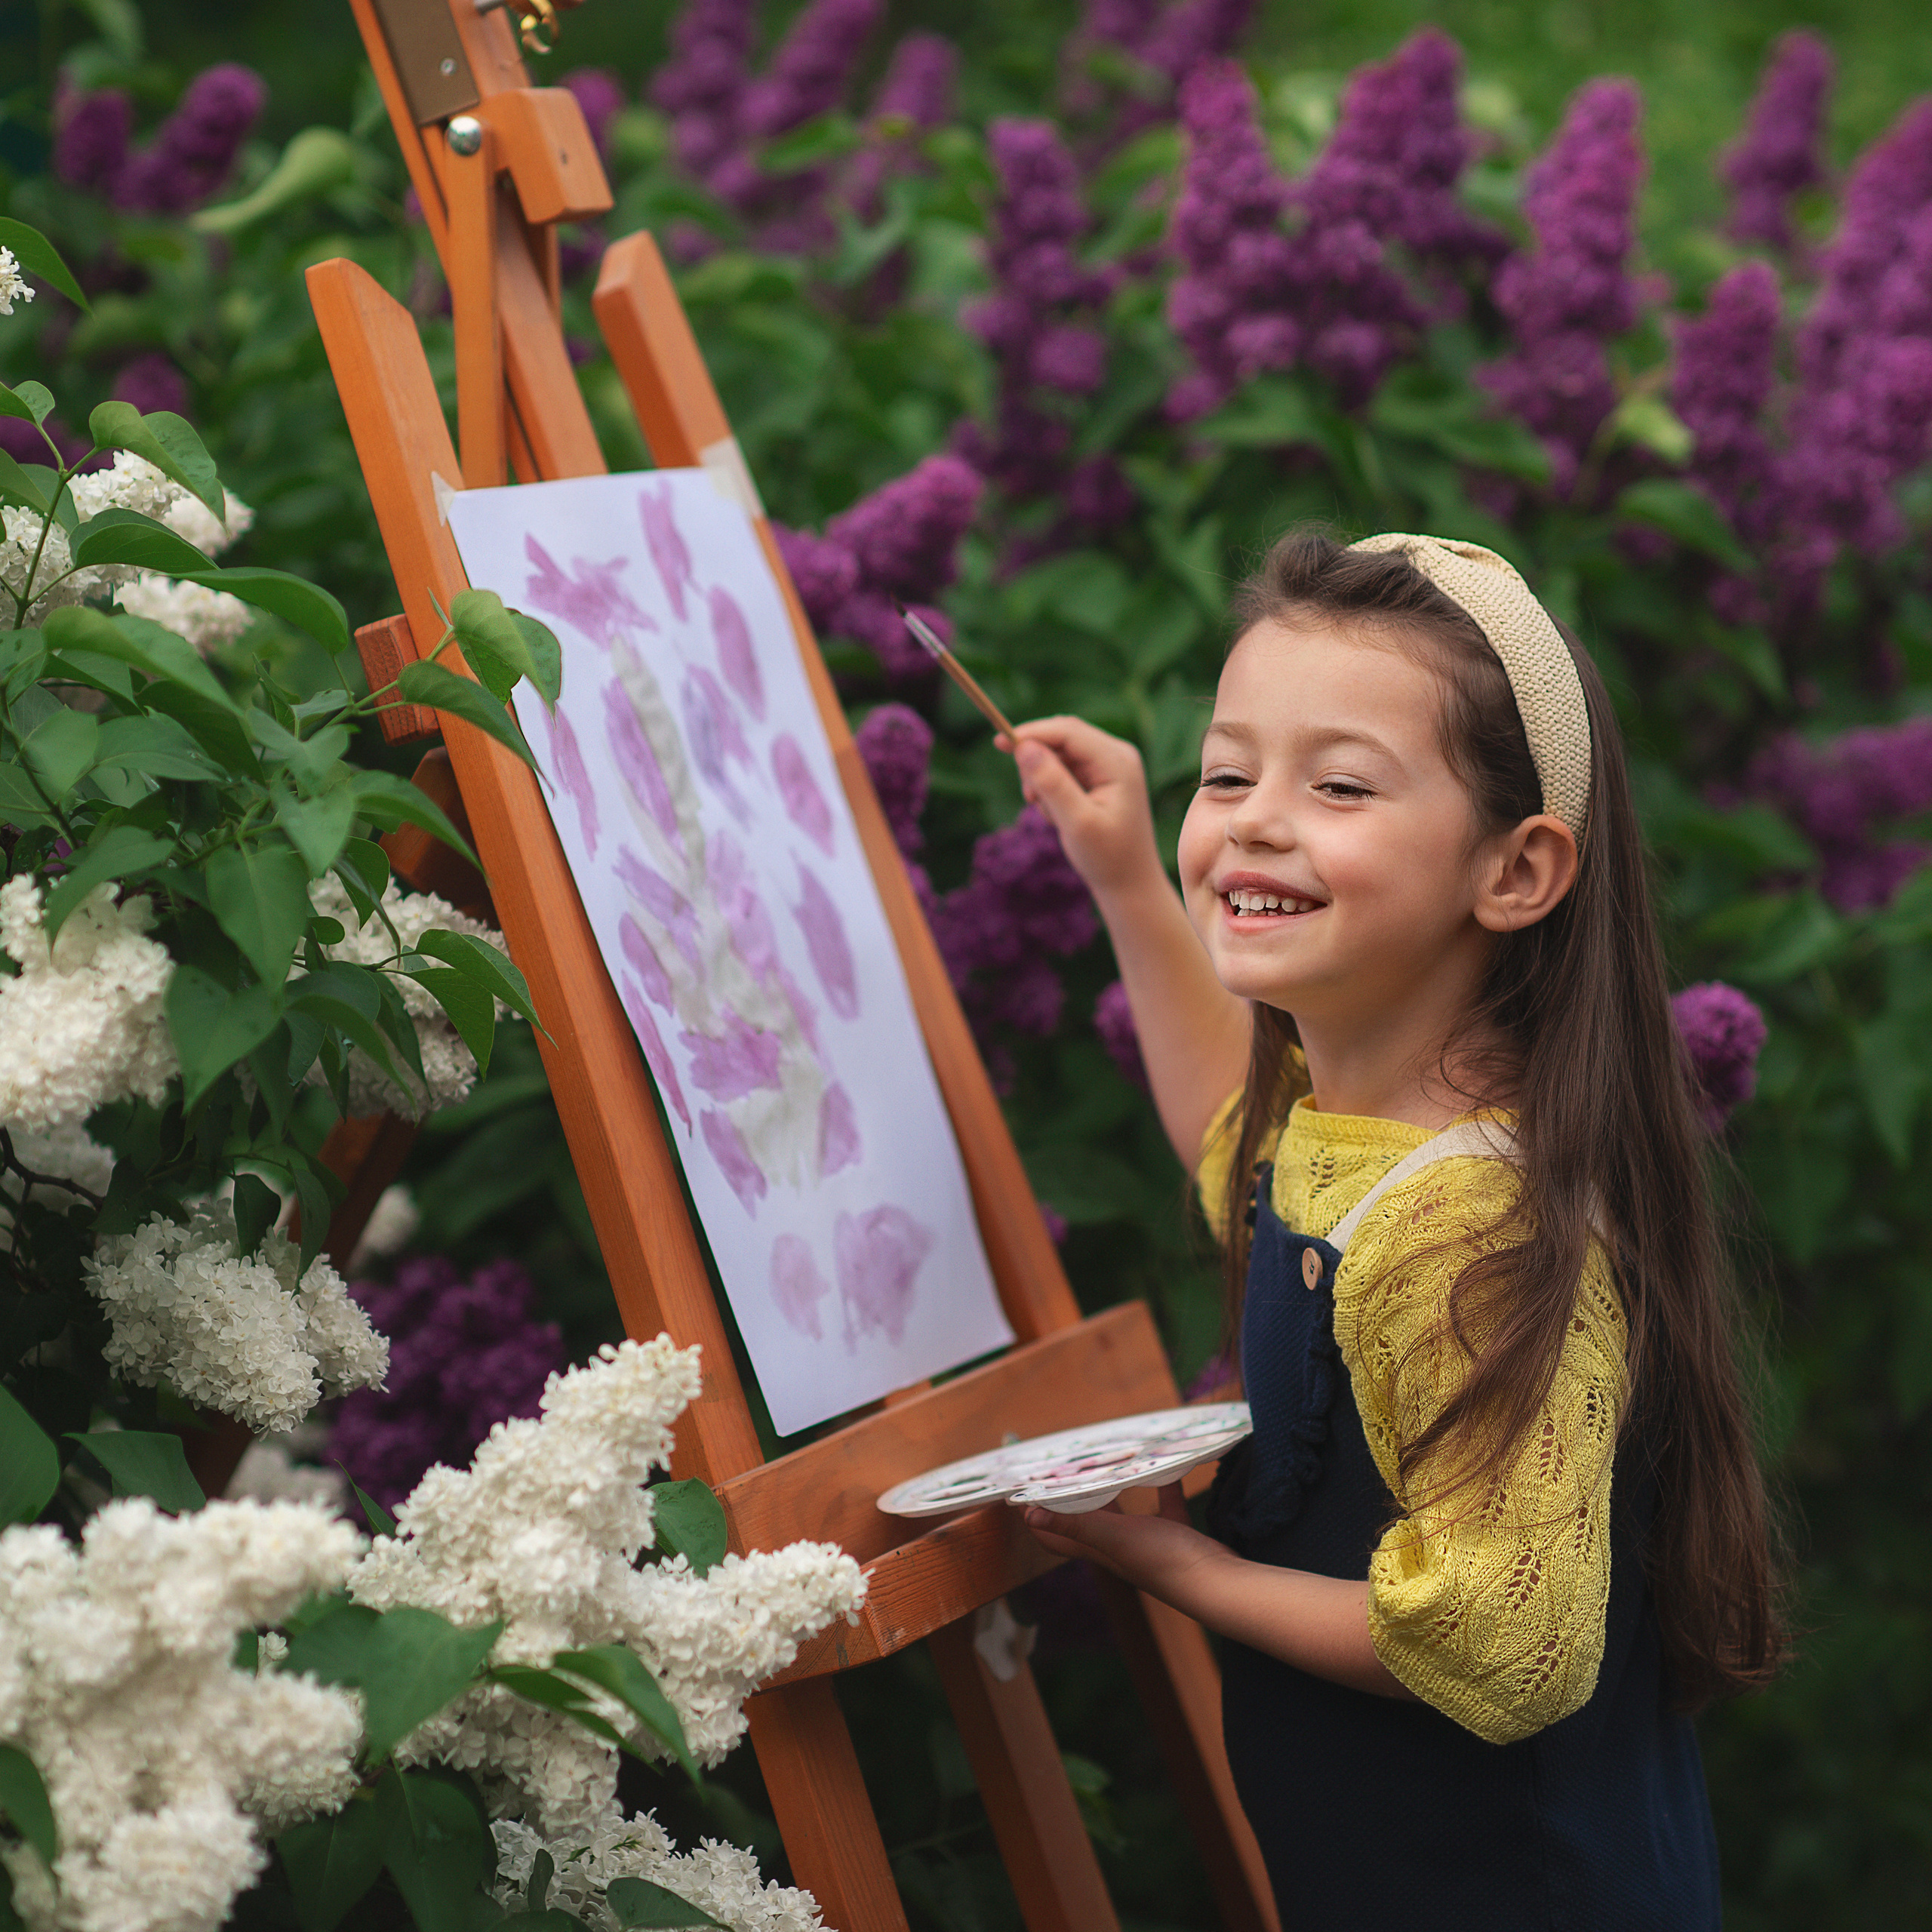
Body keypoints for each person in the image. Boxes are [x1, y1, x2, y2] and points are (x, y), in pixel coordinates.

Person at [1008, 529, 1781, 1927]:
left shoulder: (1465, 1225)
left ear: (1518, 871)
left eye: (1341, 785)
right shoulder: (1365, 1142)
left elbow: (1503, 1643)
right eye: (1227, 772)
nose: (1250, 818)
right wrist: (1128, 877)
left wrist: (1184, 1568)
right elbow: (1236, 1159)